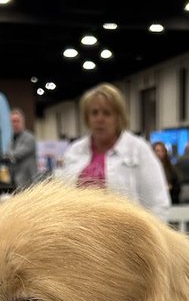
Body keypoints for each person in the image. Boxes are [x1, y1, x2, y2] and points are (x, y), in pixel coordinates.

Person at [58, 83, 170, 218]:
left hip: (126, 235)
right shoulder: (74, 150)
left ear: (118, 117)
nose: (99, 119)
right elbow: (61, 196)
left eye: (107, 113)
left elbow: (158, 204)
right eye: (94, 113)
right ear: (87, 118)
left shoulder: (139, 149)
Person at [5, 107, 38, 190]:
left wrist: (8, 155)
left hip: (28, 183)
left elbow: (15, 154)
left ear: (23, 122)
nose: (15, 124)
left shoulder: (30, 138)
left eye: (17, 121)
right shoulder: (12, 140)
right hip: (16, 182)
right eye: (13, 121)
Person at [153, 140, 181, 205]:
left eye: (162, 151)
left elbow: (177, 186)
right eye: (157, 151)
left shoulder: (171, 168)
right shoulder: (147, 168)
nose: (160, 153)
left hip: (170, 200)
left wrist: (170, 187)